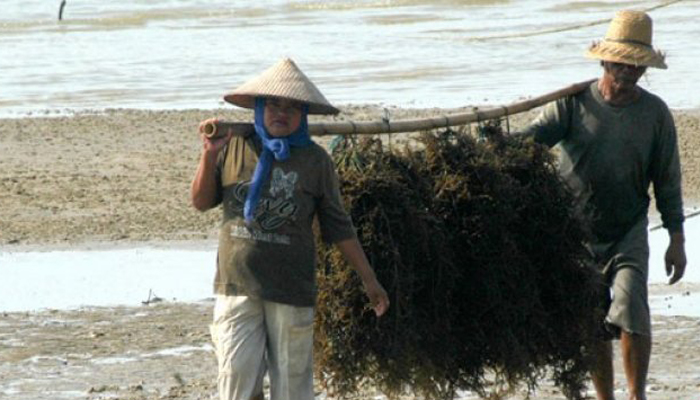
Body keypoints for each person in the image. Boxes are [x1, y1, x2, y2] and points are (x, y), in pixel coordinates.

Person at [190, 58, 390, 400]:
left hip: (291, 288)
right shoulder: (235, 146)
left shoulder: (315, 161)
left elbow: (338, 226)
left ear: (303, 115)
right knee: (236, 380)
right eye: (273, 104)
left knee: (292, 387)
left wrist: (369, 279)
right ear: (258, 107)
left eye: (292, 106)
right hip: (237, 284)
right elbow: (201, 201)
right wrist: (209, 155)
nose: (281, 112)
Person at [522, 10, 687, 400]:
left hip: (628, 231)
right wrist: (495, 139)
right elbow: (528, 143)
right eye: (621, 61)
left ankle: (636, 394)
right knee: (591, 318)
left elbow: (667, 183)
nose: (628, 70)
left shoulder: (655, 115)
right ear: (605, 59)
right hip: (575, 233)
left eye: (637, 64)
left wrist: (677, 239)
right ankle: (605, 397)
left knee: (631, 310)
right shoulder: (572, 105)